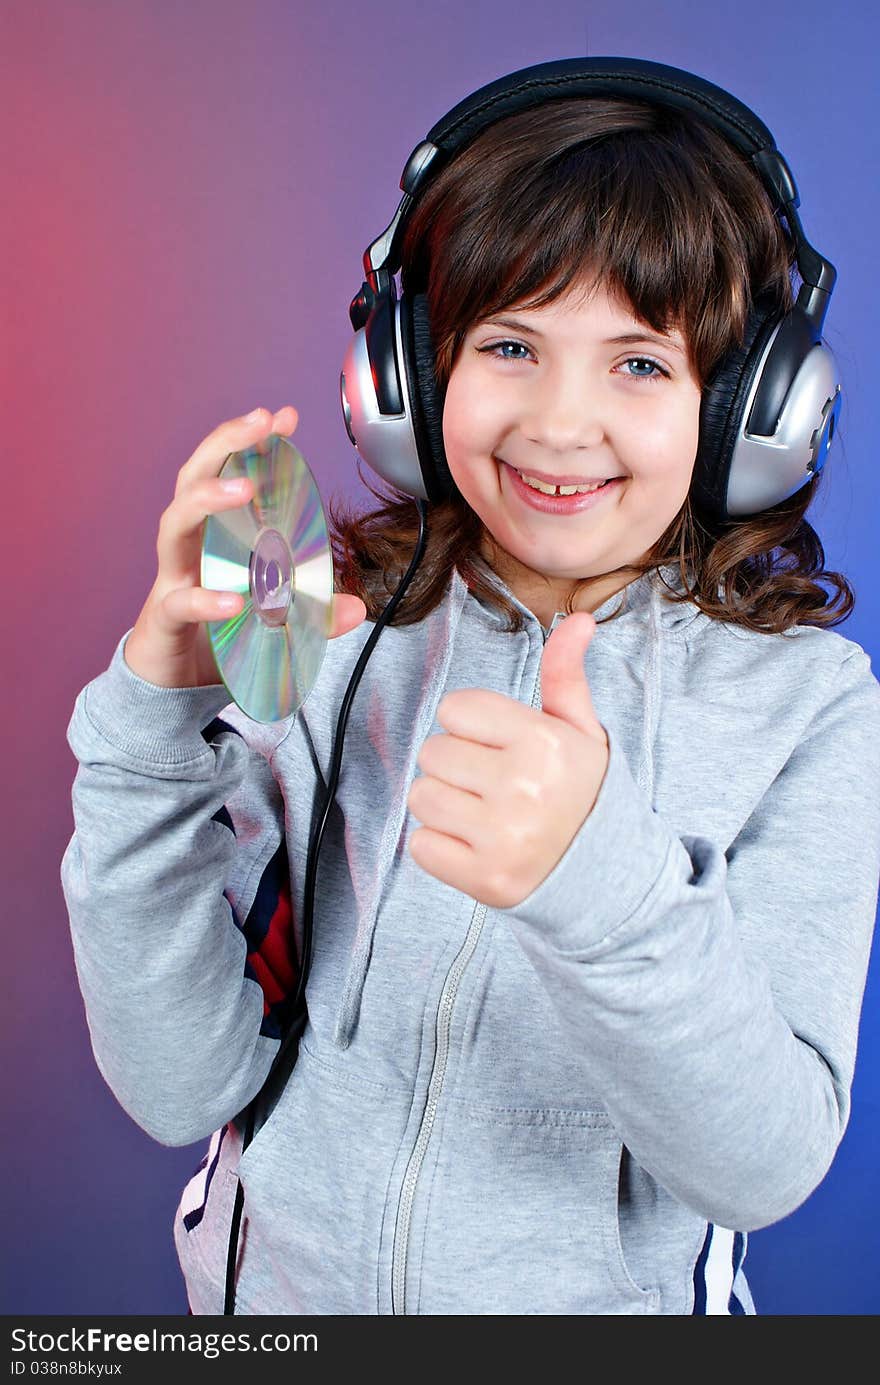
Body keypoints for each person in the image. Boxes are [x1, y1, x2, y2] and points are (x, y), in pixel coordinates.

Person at [61, 57, 880, 1317]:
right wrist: (152, 728)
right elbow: (181, 1083)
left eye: (640, 364)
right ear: (410, 372)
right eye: (508, 345)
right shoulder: (320, 627)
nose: (559, 424)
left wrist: (594, 882)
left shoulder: (809, 707)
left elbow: (762, 1162)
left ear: (753, 411)